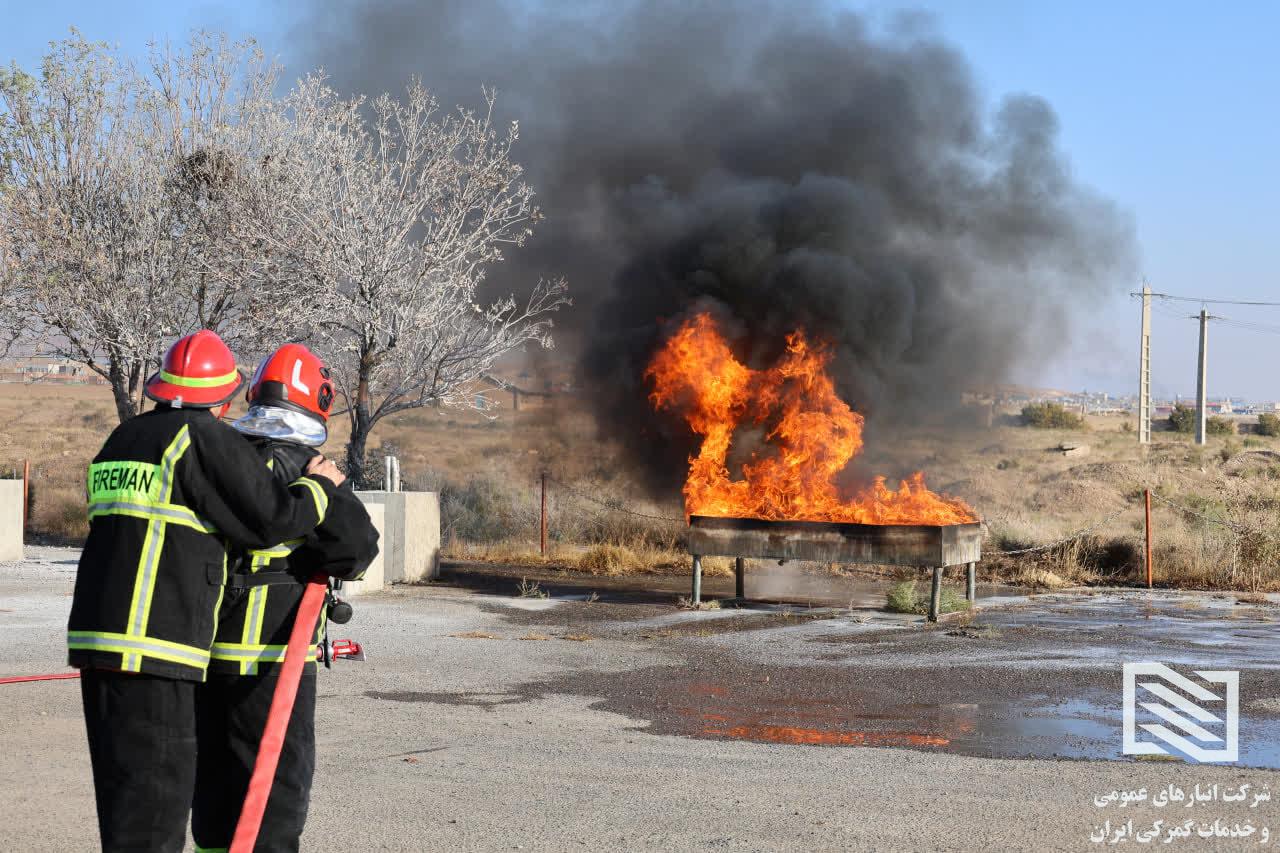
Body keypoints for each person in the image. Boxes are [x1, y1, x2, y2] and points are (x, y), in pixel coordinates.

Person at [69, 330, 346, 853]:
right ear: (222, 395)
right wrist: (320, 486)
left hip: (97, 639)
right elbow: (270, 521)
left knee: (124, 798)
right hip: (159, 644)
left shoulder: (123, 438)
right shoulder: (201, 437)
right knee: (158, 806)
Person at [192, 343, 379, 853]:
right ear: (318, 401)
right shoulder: (303, 464)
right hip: (272, 658)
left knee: (213, 780)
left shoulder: (215, 457)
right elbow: (357, 550)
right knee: (276, 787)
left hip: (198, 650)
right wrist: (327, 490)